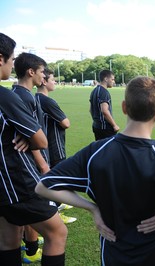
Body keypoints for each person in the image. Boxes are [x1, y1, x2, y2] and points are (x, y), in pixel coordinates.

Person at [35, 76, 155, 265]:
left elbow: (43, 186)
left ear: (124, 107)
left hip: (115, 253)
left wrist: (92, 208)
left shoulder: (95, 152)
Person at [0, 33, 67, 266]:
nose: (11, 64)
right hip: (17, 181)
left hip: (4, 185)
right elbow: (40, 140)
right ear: (1, 59)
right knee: (57, 233)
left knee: (8, 238)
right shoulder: (6, 96)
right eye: (10, 59)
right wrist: (31, 141)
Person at [35, 68, 77, 224]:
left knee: (47, 178)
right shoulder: (47, 101)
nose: (55, 82)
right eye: (52, 79)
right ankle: (55, 211)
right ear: (44, 81)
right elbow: (66, 123)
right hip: (54, 145)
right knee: (55, 178)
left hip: (42, 147)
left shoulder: (34, 98)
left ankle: (55, 206)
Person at [89, 69, 120, 140]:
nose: (114, 82)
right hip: (105, 128)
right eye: (112, 79)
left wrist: (97, 121)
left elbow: (91, 110)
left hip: (96, 126)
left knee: (100, 149)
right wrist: (114, 125)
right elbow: (104, 111)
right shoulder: (104, 92)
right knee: (110, 150)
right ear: (106, 79)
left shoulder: (94, 91)